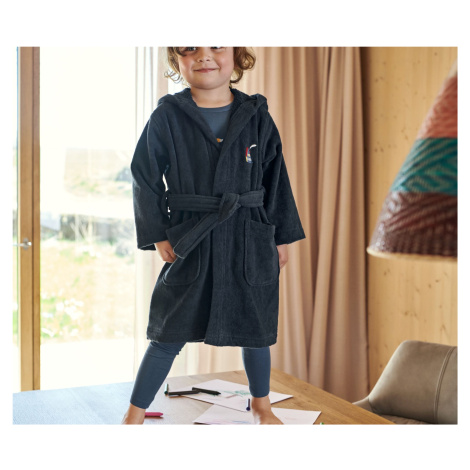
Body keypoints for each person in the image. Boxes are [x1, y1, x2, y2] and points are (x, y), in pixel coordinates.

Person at [122, 47, 305, 425]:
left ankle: (262, 407)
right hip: (191, 235)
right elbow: (145, 176)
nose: (204, 56)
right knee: (168, 330)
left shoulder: (256, 115)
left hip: (248, 235)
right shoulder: (167, 116)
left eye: (216, 46)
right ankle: (134, 414)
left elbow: (276, 178)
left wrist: (280, 236)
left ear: (237, 57)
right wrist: (158, 234)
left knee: (256, 330)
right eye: (190, 48)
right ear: (177, 60)